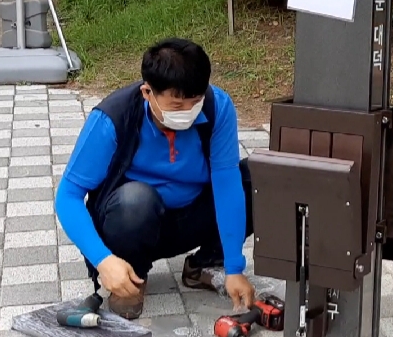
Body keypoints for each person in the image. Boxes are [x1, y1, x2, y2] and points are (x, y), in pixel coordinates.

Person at [55, 38, 256, 319]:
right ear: (147, 92)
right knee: (136, 200)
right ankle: (129, 278)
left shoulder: (217, 108)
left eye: (194, 102)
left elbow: (227, 183)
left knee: (259, 179)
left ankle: (207, 263)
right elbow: (68, 196)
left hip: (190, 216)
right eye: (176, 105)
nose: (187, 112)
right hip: (132, 222)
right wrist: (103, 260)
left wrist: (235, 266)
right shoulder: (113, 118)